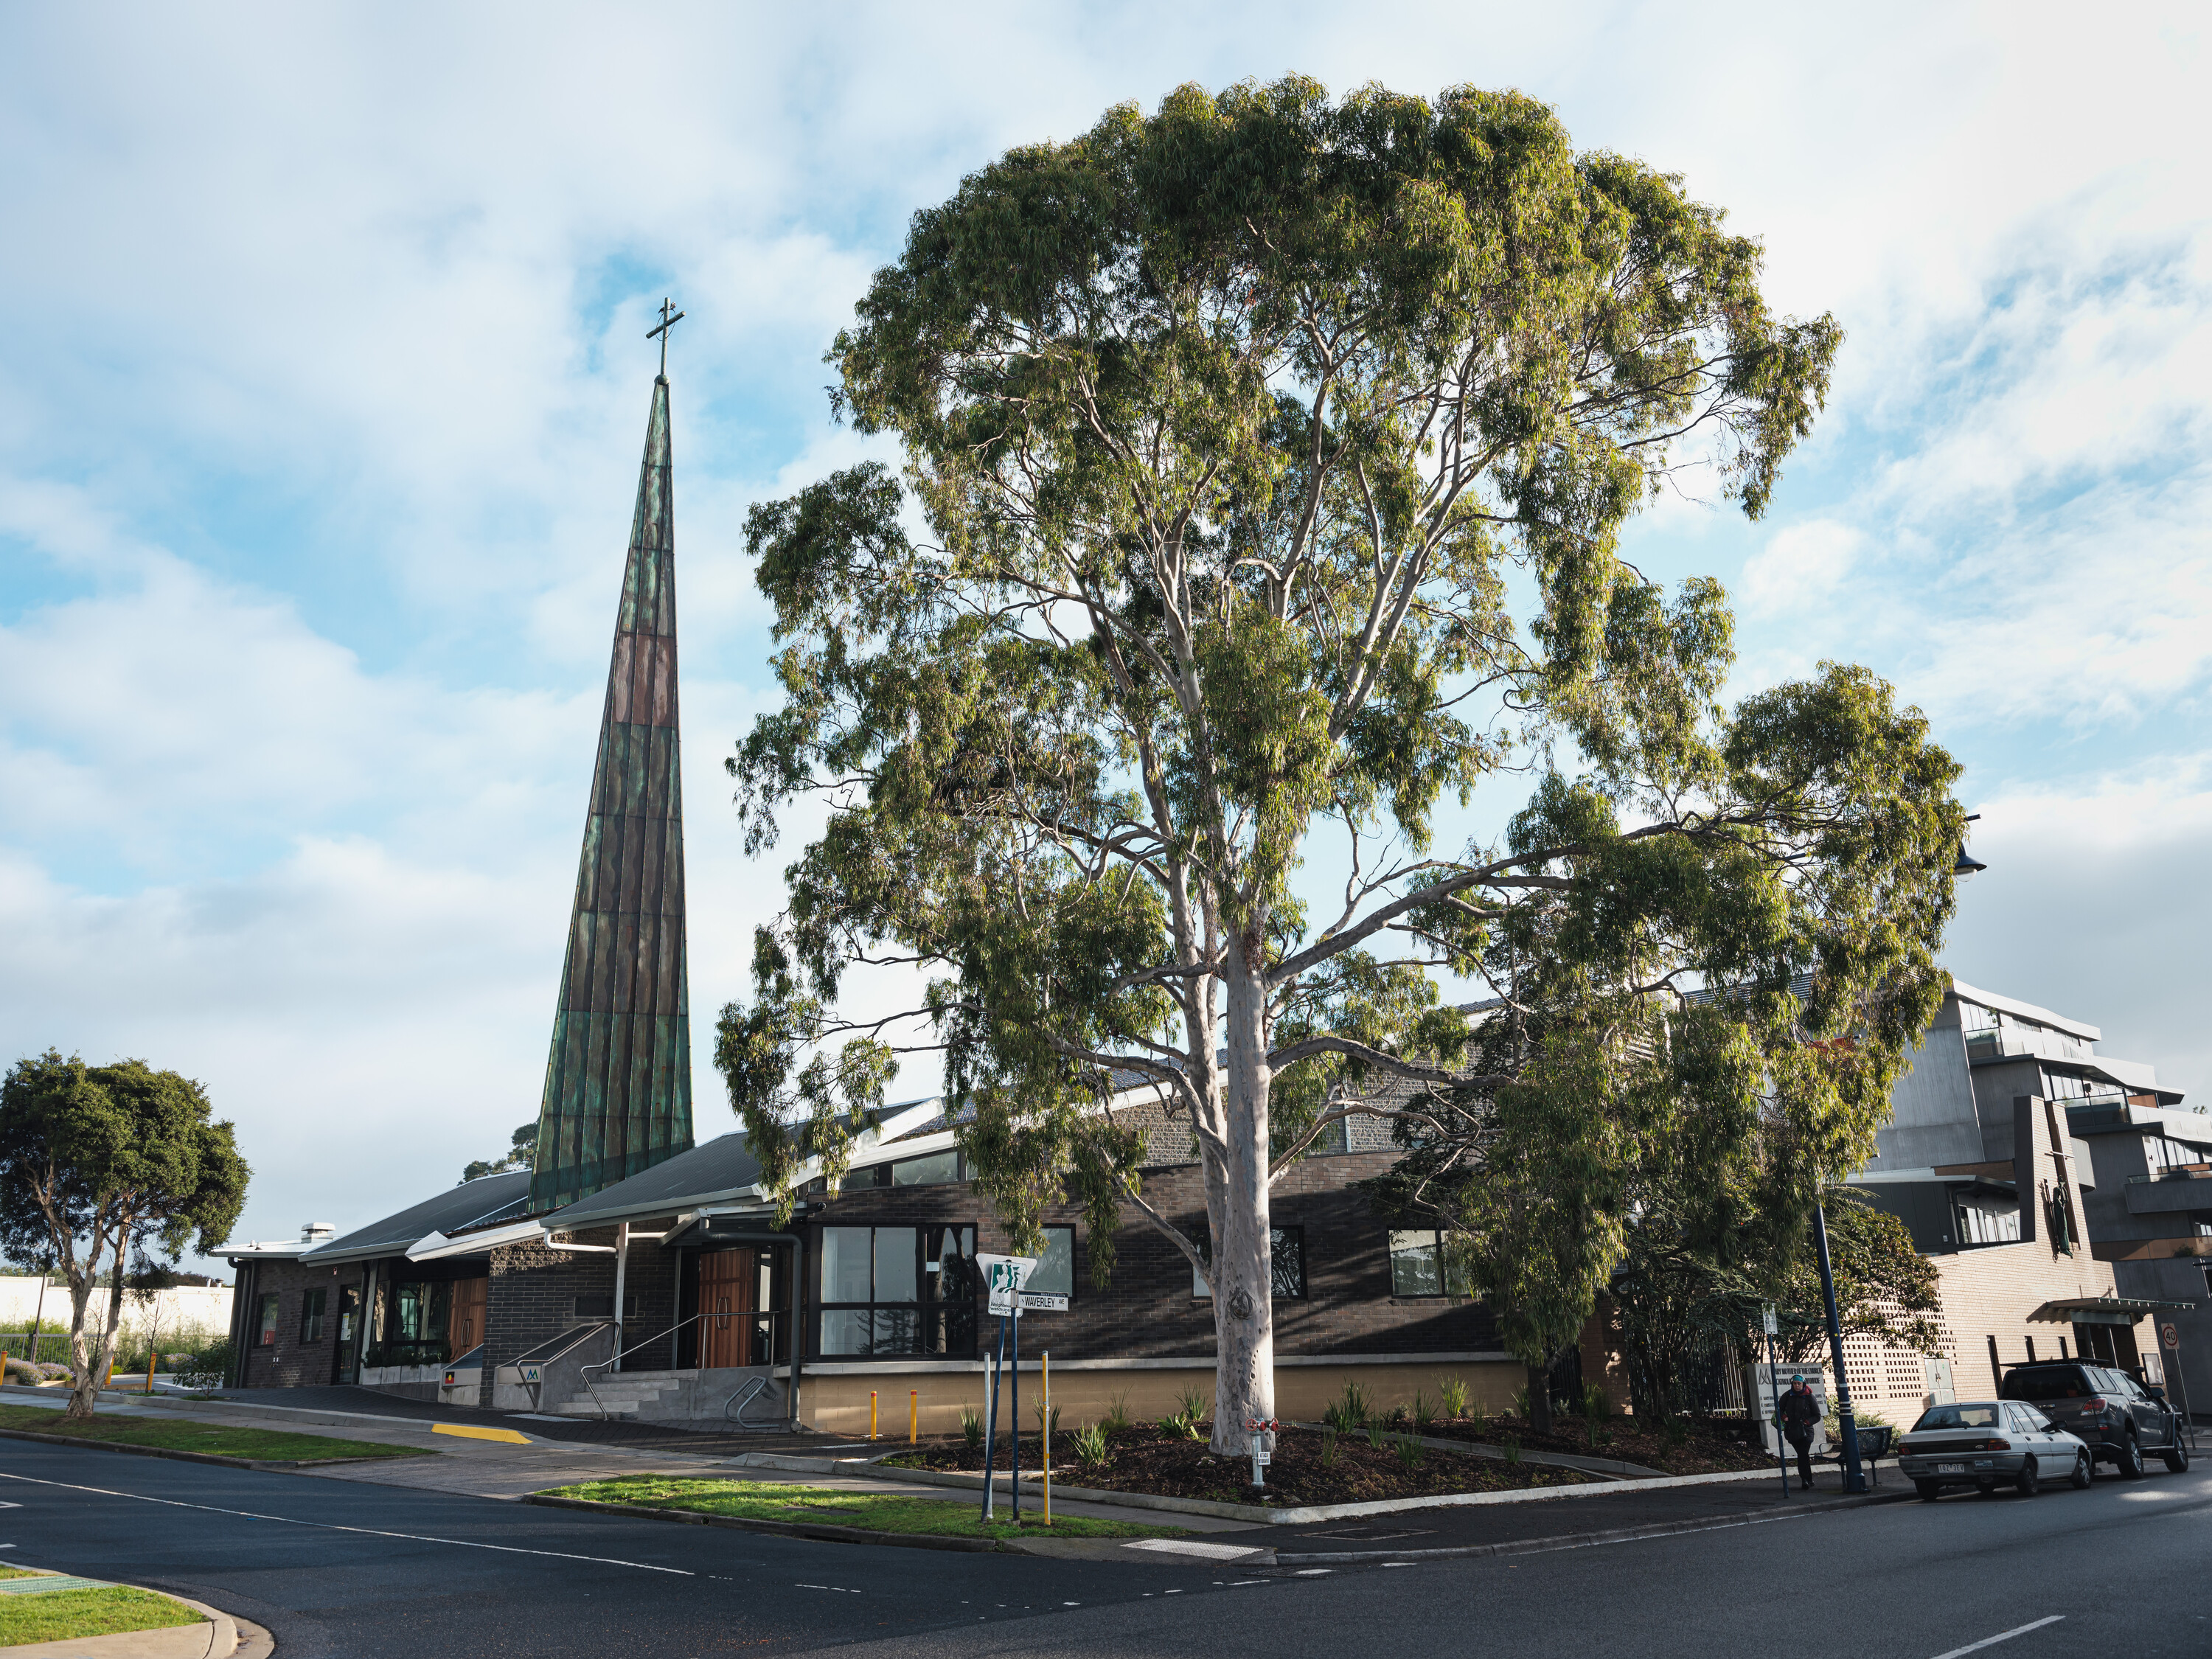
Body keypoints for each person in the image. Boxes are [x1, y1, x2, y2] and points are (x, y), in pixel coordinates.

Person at [1778, 1374, 1822, 1490]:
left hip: (1806, 1431)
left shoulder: (1809, 1397)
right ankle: (1809, 1478)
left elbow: (1817, 1416)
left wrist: (1807, 1422)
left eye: (1799, 1384)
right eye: (1795, 1384)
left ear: (1803, 1384)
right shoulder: (1787, 1396)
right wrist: (1783, 1417)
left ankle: (1805, 1480)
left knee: (1802, 1454)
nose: (1797, 1386)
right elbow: (1779, 1409)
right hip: (1792, 1430)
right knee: (1803, 1455)